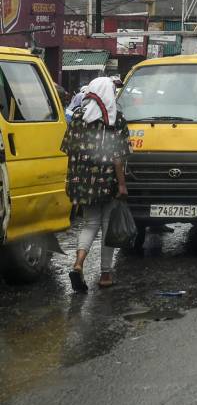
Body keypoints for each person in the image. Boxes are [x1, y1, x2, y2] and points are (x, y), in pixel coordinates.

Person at [63, 76, 130, 292]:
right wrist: (121, 185)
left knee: (90, 223)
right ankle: (106, 274)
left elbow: (68, 149)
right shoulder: (115, 119)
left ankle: (78, 263)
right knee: (107, 225)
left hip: (82, 182)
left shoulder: (78, 117)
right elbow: (118, 157)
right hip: (108, 182)